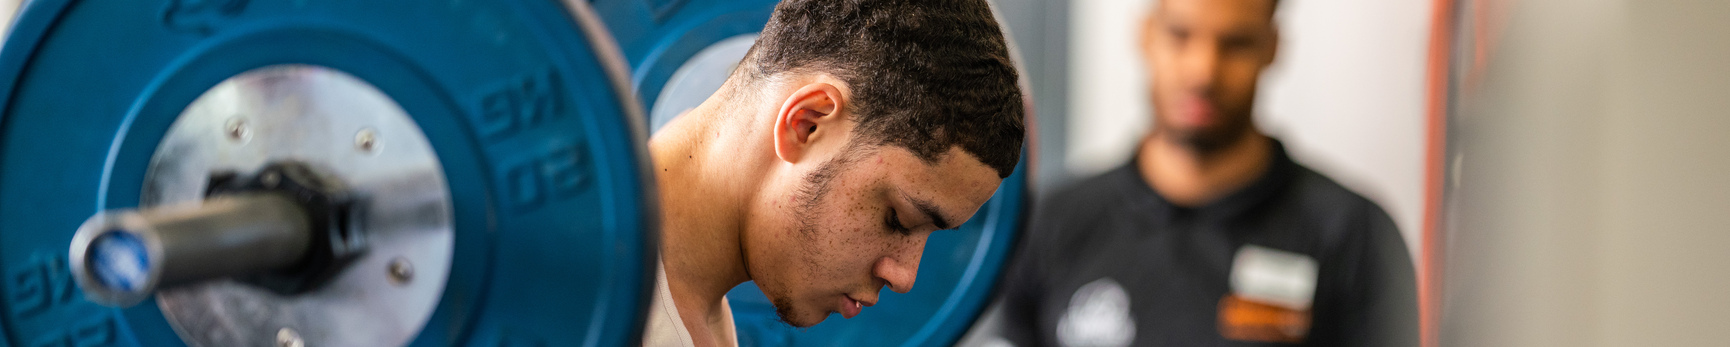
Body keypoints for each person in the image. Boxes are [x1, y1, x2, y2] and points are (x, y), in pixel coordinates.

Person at [994, 0, 1418, 346]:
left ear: (1272, 48)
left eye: (1235, 43)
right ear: (1146, 36)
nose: (1204, 70)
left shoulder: (1353, 234)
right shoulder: (1052, 222)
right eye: (1180, 35)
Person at [642, 0, 1026, 346]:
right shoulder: (589, 297)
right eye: (898, 219)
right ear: (807, 124)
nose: (904, 277)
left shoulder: (692, 318)